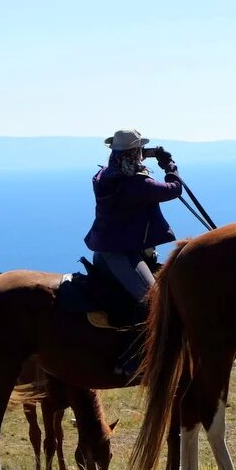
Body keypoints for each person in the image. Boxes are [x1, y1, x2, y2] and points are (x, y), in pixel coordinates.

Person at [83, 129, 183, 327]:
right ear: (136, 152)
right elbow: (174, 188)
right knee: (155, 303)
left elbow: (124, 169)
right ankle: (135, 355)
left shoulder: (104, 176)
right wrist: (169, 165)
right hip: (123, 255)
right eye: (140, 150)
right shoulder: (137, 184)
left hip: (104, 251)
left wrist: (137, 155)